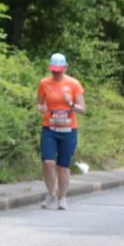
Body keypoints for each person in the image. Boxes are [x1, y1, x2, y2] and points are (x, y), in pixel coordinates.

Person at [36, 53, 86, 210]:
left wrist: (70, 103)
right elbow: (39, 104)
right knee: (48, 162)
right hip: (49, 128)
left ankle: (62, 198)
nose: (56, 73)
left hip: (68, 129)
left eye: (59, 70)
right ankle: (51, 193)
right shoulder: (44, 83)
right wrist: (41, 108)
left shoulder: (73, 84)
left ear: (65, 68)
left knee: (63, 166)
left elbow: (83, 109)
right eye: (53, 70)